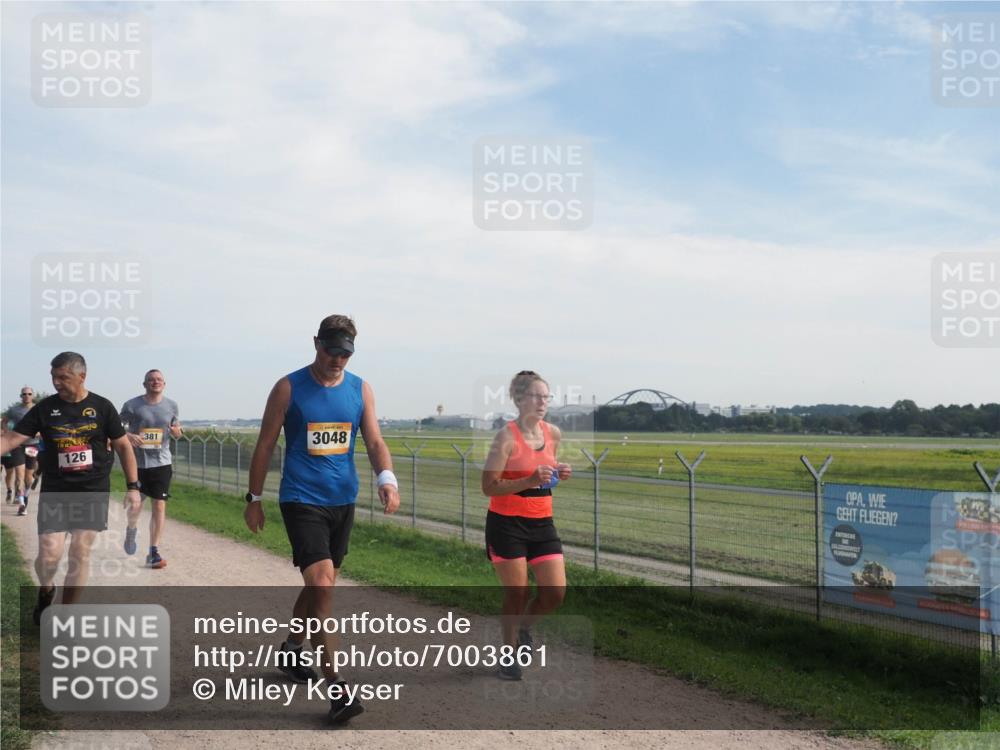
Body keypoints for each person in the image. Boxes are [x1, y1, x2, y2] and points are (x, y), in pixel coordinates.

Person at [243, 314, 400, 725]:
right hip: (301, 498)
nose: (337, 360)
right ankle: (337, 689)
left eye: (345, 353)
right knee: (323, 584)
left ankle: (293, 648)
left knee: (320, 585)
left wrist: (387, 478)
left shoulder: (359, 389)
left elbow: (374, 439)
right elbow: (264, 444)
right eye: (331, 351)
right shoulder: (288, 387)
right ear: (316, 343)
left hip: (342, 500)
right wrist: (254, 497)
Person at [0, 352, 142, 624]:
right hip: (56, 490)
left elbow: (123, 446)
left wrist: (133, 487)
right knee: (49, 554)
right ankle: (46, 589)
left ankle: (65, 616)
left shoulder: (102, 407)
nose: (56, 382)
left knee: (80, 550)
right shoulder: (44, 409)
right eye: (53, 377)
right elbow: (10, 440)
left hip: (92, 489)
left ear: (82, 376)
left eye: (62, 377)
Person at [481, 370, 572, 681]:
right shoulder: (506, 437)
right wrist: (529, 480)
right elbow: (489, 486)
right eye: (536, 396)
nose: (542, 401)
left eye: (546, 396)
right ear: (519, 399)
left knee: (555, 593)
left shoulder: (554, 434)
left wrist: (558, 473)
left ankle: (523, 629)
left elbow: (545, 478)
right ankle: (508, 657)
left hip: (542, 522)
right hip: (507, 524)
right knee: (517, 592)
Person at [120, 369, 182, 569]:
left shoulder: (171, 405)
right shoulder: (132, 405)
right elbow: (118, 428)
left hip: (162, 462)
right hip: (137, 463)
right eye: (151, 380)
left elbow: (177, 430)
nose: (155, 382)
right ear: (144, 384)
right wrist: (129, 436)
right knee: (136, 506)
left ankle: (154, 551)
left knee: (159, 505)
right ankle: (131, 529)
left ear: (164, 384)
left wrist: (177, 432)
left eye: (159, 380)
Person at [6, 387, 40, 513]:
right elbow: (4, 422)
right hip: (17, 446)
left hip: (32, 445)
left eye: (29, 394)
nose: (27, 396)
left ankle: (25, 497)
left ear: (33, 395)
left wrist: (39, 433)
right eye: (24, 394)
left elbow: (44, 425)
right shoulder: (14, 410)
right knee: (19, 476)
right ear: (21, 395)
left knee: (28, 478)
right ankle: (21, 504)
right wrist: (7, 432)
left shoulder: (38, 409)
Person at [1, 416, 27, 514]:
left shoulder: (15, 425)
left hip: (9, 454)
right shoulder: (6, 425)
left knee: (10, 475)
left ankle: (10, 491)